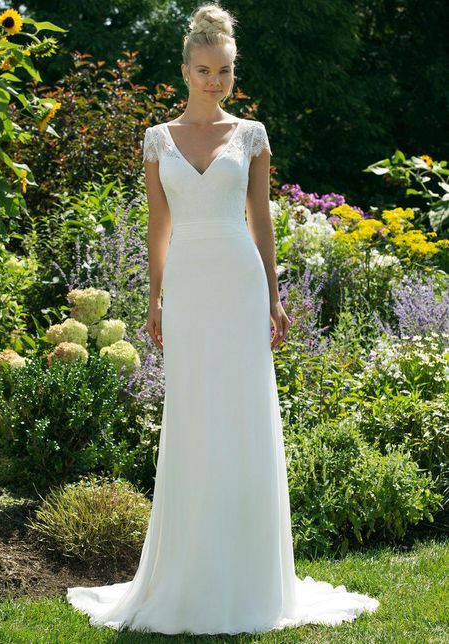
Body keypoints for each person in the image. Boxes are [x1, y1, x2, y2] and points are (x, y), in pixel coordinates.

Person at [66, 2, 380, 634]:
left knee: (242, 420)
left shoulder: (253, 135)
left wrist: (274, 295)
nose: (216, 81)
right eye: (205, 69)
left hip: (238, 285)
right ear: (185, 70)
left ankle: (252, 579)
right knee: (194, 420)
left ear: (234, 72)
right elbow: (159, 224)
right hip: (187, 286)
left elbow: (261, 219)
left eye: (226, 71)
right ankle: (187, 573)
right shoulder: (158, 139)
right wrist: (154, 297)